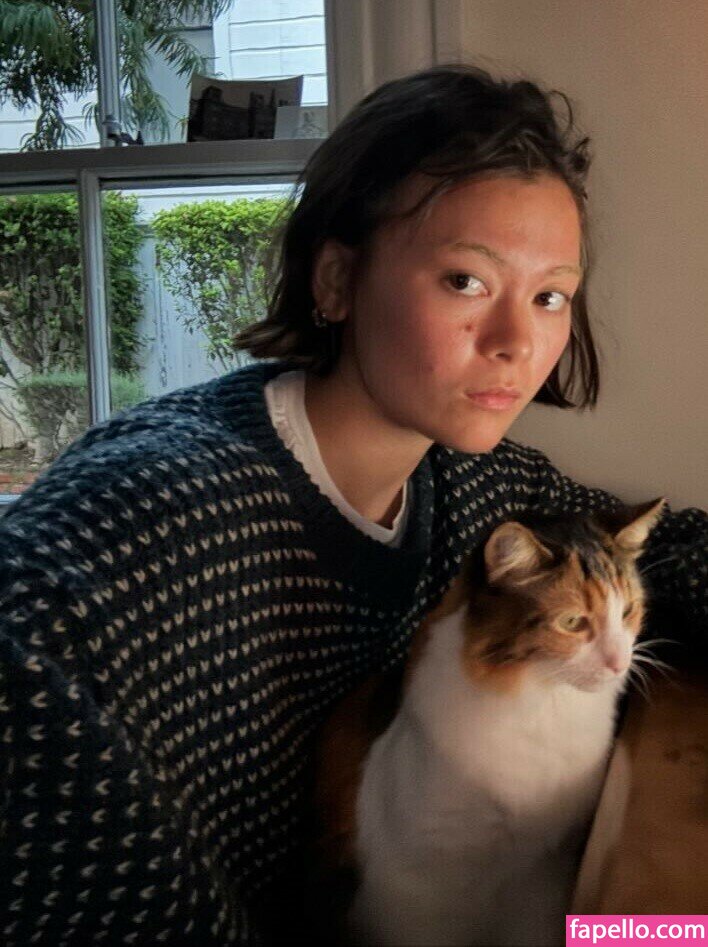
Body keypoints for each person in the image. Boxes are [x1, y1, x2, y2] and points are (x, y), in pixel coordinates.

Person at [0, 63, 705, 946]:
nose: (518, 342)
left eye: (550, 295)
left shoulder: (478, 478)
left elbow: (675, 550)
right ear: (335, 280)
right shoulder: (148, 517)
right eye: (466, 280)